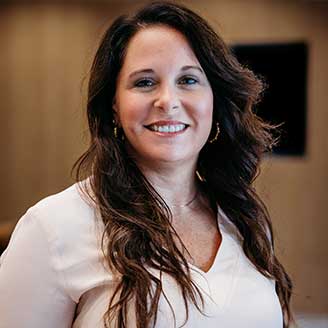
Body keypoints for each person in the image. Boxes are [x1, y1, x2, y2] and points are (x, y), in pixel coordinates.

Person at [0, 1, 293, 327]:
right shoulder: (52, 227)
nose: (168, 101)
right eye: (144, 82)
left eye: (189, 80)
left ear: (215, 98)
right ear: (114, 105)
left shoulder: (244, 217)